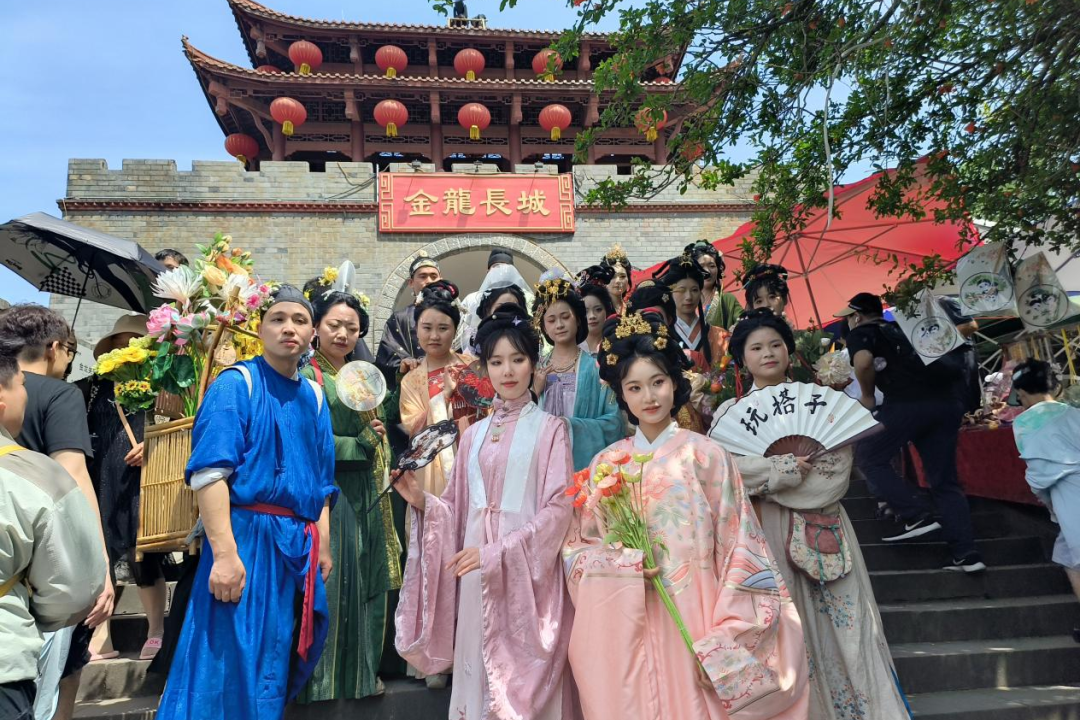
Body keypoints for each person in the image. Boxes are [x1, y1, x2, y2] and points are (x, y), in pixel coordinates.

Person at [563, 311, 809, 720]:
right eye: (634, 387)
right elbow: (579, 548)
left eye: (658, 382)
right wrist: (623, 567)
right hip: (631, 618)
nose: (649, 397)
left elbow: (741, 547)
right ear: (621, 394)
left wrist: (725, 643)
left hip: (701, 614)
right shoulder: (606, 464)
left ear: (675, 383)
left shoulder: (706, 455)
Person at [710, 309, 910, 720]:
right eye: (756, 348)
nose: (768, 353)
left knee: (847, 625)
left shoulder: (821, 404)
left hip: (823, 523)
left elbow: (833, 476)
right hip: (763, 532)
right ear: (741, 359)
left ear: (789, 350)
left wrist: (765, 479)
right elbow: (724, 473)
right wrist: (780, 470)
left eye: (776, 344)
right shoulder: (730, 411)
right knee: (785, 629)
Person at [155, 285, 337, 720]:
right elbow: (210, 474)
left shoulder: (314, 395)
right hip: (246, 541)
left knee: (273, 661)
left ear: (312, 333)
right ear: (260, 329)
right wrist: (224, 554)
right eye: (278, 319)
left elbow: (321, 483)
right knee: (227, 662)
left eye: (299, 320)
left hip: (296, 545)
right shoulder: (237, 383)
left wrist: (324, 546)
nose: (289, 328)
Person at [393, 303, 576, 719]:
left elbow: (558, 509)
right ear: (484, 368)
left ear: (533, 364)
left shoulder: (551, 429)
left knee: (518, 675)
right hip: (476, 571)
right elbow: (455, 507)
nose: (507, 371)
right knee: (477, 668)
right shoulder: (473, 434)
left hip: (526, 572)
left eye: (518, 359)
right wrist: (421, 500)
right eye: (496, 362)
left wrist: (498, 551)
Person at [0, 305, 113, 720]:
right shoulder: (60, 394)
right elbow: (73, 476)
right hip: (39, 568)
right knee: (44, 688)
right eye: (69, 351)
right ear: (53, 347)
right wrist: (100, 564)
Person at [297, 289, 402, 703]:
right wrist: (360, 443)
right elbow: (309, 439)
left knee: (368, 583)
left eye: (352, 328)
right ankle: (323, 683)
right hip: (334, 495)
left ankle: (362, 675)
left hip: (371, 492)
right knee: (337, 582)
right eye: (334, 325)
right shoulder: (309, 377)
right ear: (316, 328)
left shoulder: (361, 374)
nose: (343, 334)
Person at [839, 292, 984, 572]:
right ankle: (967, 554)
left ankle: (915, 514)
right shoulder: (902, 328)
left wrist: (867, 395)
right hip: (946, 404)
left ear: (856, 316)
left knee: (869, 456)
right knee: (945, 481)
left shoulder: (862, 332)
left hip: (905, 405)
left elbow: (864, 361)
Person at [75, 314, 171, 663]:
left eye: (133, 342)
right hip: (99, 477)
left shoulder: (163, 383)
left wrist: (154, 445)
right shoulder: (92, 386)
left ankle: (156, 629)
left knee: (141, 555)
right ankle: (101, 635)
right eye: (118, 343)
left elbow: (182, 427)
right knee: (98, 556)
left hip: (144, 481)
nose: (125, 348)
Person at [1009, 360, 1080, 641]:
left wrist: (1050, 505)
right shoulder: (1073, 413)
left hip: (1068, 492)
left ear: (1022, 392)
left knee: (1075, 553)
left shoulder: (1025, 422)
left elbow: (1039, 475)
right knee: (1067, 554)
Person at [531, 271, 623, 472]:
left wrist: (571, 426)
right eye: (551, 320)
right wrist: (534, 392)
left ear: (578, 319)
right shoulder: (535, 370)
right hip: (543, 467)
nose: (559, 325)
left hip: (583, 469)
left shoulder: (597, 370)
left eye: (566, 317)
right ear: (543, 326)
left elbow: (614, 423)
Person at [399, 281, 480, 500]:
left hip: (476, 455)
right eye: (427, 328)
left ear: (455, 329)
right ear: (417, 329)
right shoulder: (412, 380)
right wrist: (444, 396)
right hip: (434, 466)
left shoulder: (473, 367)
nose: (434, 336)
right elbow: (414, 427)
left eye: (443, 328)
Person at [376, 254, 442, 381]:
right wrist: (407, 364)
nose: (429, 281)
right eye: (423, 276)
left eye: (434, 276)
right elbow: (387, 357)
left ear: (441, 279)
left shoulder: (455, 313)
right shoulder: (400, 318)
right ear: (411, 283)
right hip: (414, 385)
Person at [456, 259, 532, 355]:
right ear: (488, 311)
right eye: (501, 308)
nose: (507, 313)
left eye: (513, 308)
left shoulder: (529, 341)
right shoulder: (477, 344)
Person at [654, 253, 714, 372]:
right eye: (681, 290)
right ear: (670, 293)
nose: (689, 297)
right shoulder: (660, 337)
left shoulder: (718, 336)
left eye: (694, 290)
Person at [685, 240, 743, 331]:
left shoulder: (728, 299)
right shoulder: (683, 299)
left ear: (718, 269)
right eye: (701, 267)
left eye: (712, 266)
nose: (707, 271)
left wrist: (736, 328)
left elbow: (744, 320)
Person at [575, 264, 616, 356]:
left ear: (607, 311)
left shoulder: (617, 346)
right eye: (586, 311)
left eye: (598, 310)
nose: (592, 316)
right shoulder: (572, 348)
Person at [600, 244, 633, 315]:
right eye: (612, 276)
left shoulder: (633, 308)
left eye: (622, 276)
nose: (618, 281)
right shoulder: (598, 309)